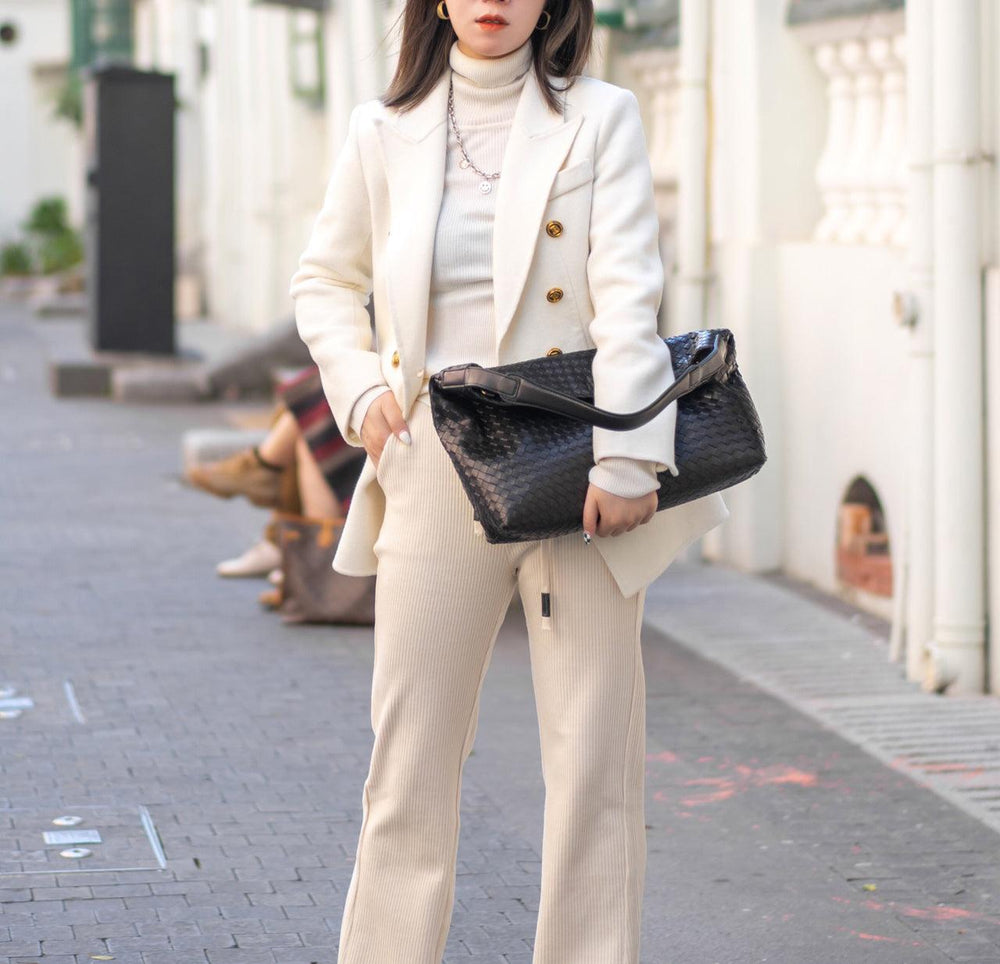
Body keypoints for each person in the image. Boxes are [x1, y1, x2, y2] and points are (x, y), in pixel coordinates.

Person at [288, 2, 729, 961]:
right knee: (409, 760)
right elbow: (324, 280)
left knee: (595, 761)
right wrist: (360, 387)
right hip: (436, 461)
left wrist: (629, 456)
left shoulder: (600, 115)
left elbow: (629, 295)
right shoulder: (383, 130)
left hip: (580, 463)